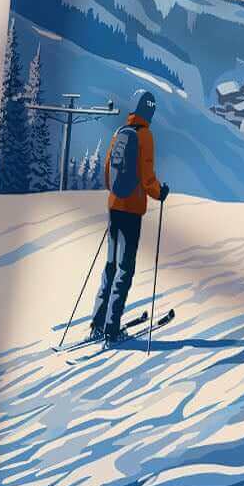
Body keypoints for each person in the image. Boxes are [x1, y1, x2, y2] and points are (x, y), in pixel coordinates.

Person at [89, 88, 169, 342]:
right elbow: (147, 179)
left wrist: (116, 193)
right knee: (125, 269)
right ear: (149, 111)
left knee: (110, 267)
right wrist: (161, 192)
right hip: (132, 210)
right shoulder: (145, 136)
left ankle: (97, 324)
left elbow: (106, 174)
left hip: (113, 207)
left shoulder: (118, 134)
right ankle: (113, 330)